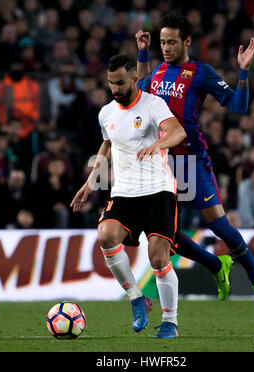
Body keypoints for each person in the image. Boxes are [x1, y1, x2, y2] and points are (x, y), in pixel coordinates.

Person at [135, 13, 254, 311]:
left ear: (187, 41)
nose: (166, 47)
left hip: (191, 161)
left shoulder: (201, 72)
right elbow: (138, 92)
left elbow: (238, 106)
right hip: (162, 164)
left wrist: (244, 72)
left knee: (220, 226)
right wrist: (143, 53)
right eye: (162, 42)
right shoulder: (157, 71)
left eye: (172, 42)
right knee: (166, 233)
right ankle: (215, 265)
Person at [71, 55, 187, 338]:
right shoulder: (106, 113)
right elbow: (107, 145)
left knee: (158, 258)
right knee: (106, 236)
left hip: (158, 190)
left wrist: (157, 143)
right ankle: (137, 298)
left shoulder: (153, 104)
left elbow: (178, 132)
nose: (115, 88)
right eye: (110, 83)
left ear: (134, 79)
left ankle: (170, 321)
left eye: (120, 82)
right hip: (124, 192)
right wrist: (91, 182)